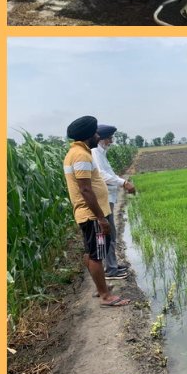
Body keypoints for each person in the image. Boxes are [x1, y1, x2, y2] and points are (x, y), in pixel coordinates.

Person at [62, 115, 130, 307]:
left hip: (90, 215)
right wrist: (101, 218)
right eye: (95, 132)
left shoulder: (77, 153)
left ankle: (100, 289)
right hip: (92, 216)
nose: (98, 135)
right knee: (96, 255)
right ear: (88, 135)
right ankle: (105, 296)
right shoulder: (81, 155)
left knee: (91, 252)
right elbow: (85, 189)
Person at [91, 124, 136, 281]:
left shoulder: (101, 153)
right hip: (103, 200)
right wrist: (123, 183)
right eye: (109, 138)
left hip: (108, 198)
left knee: (111, 233)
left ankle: (112, 265)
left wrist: (120, 182)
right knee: (107, 233)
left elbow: (108, 173)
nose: (111, 141)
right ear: (101, 139)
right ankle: (110, 269)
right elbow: (101, 175)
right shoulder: (95, 152)